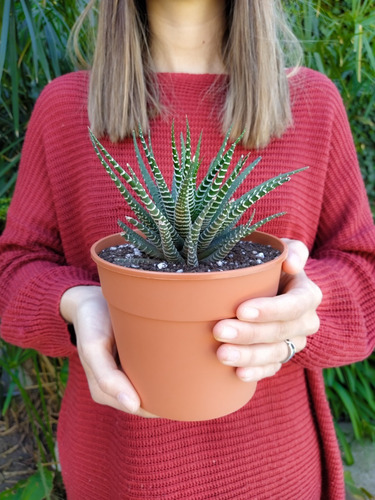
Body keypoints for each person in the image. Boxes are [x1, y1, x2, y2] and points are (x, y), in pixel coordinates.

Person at [0, 0, 374, 498]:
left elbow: (364, 278)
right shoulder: (67, 107)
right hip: (117, 471)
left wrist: (305, 308)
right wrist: (79, 304)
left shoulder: (310, 103)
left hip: (272, 472)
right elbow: (14, 270)